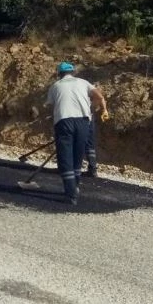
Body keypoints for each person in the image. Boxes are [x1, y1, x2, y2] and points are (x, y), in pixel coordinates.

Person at [45, 62, 108, 205]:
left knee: (65, 157)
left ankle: (71, 194)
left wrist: (55, 124)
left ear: (59, 74)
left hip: (64, 121)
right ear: (73, 72)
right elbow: (99, 95)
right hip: (83, 121)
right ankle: (76, 185)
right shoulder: (83, 82)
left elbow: (51, 106)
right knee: (78, 154)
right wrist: (100, 109)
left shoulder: (55, 86)